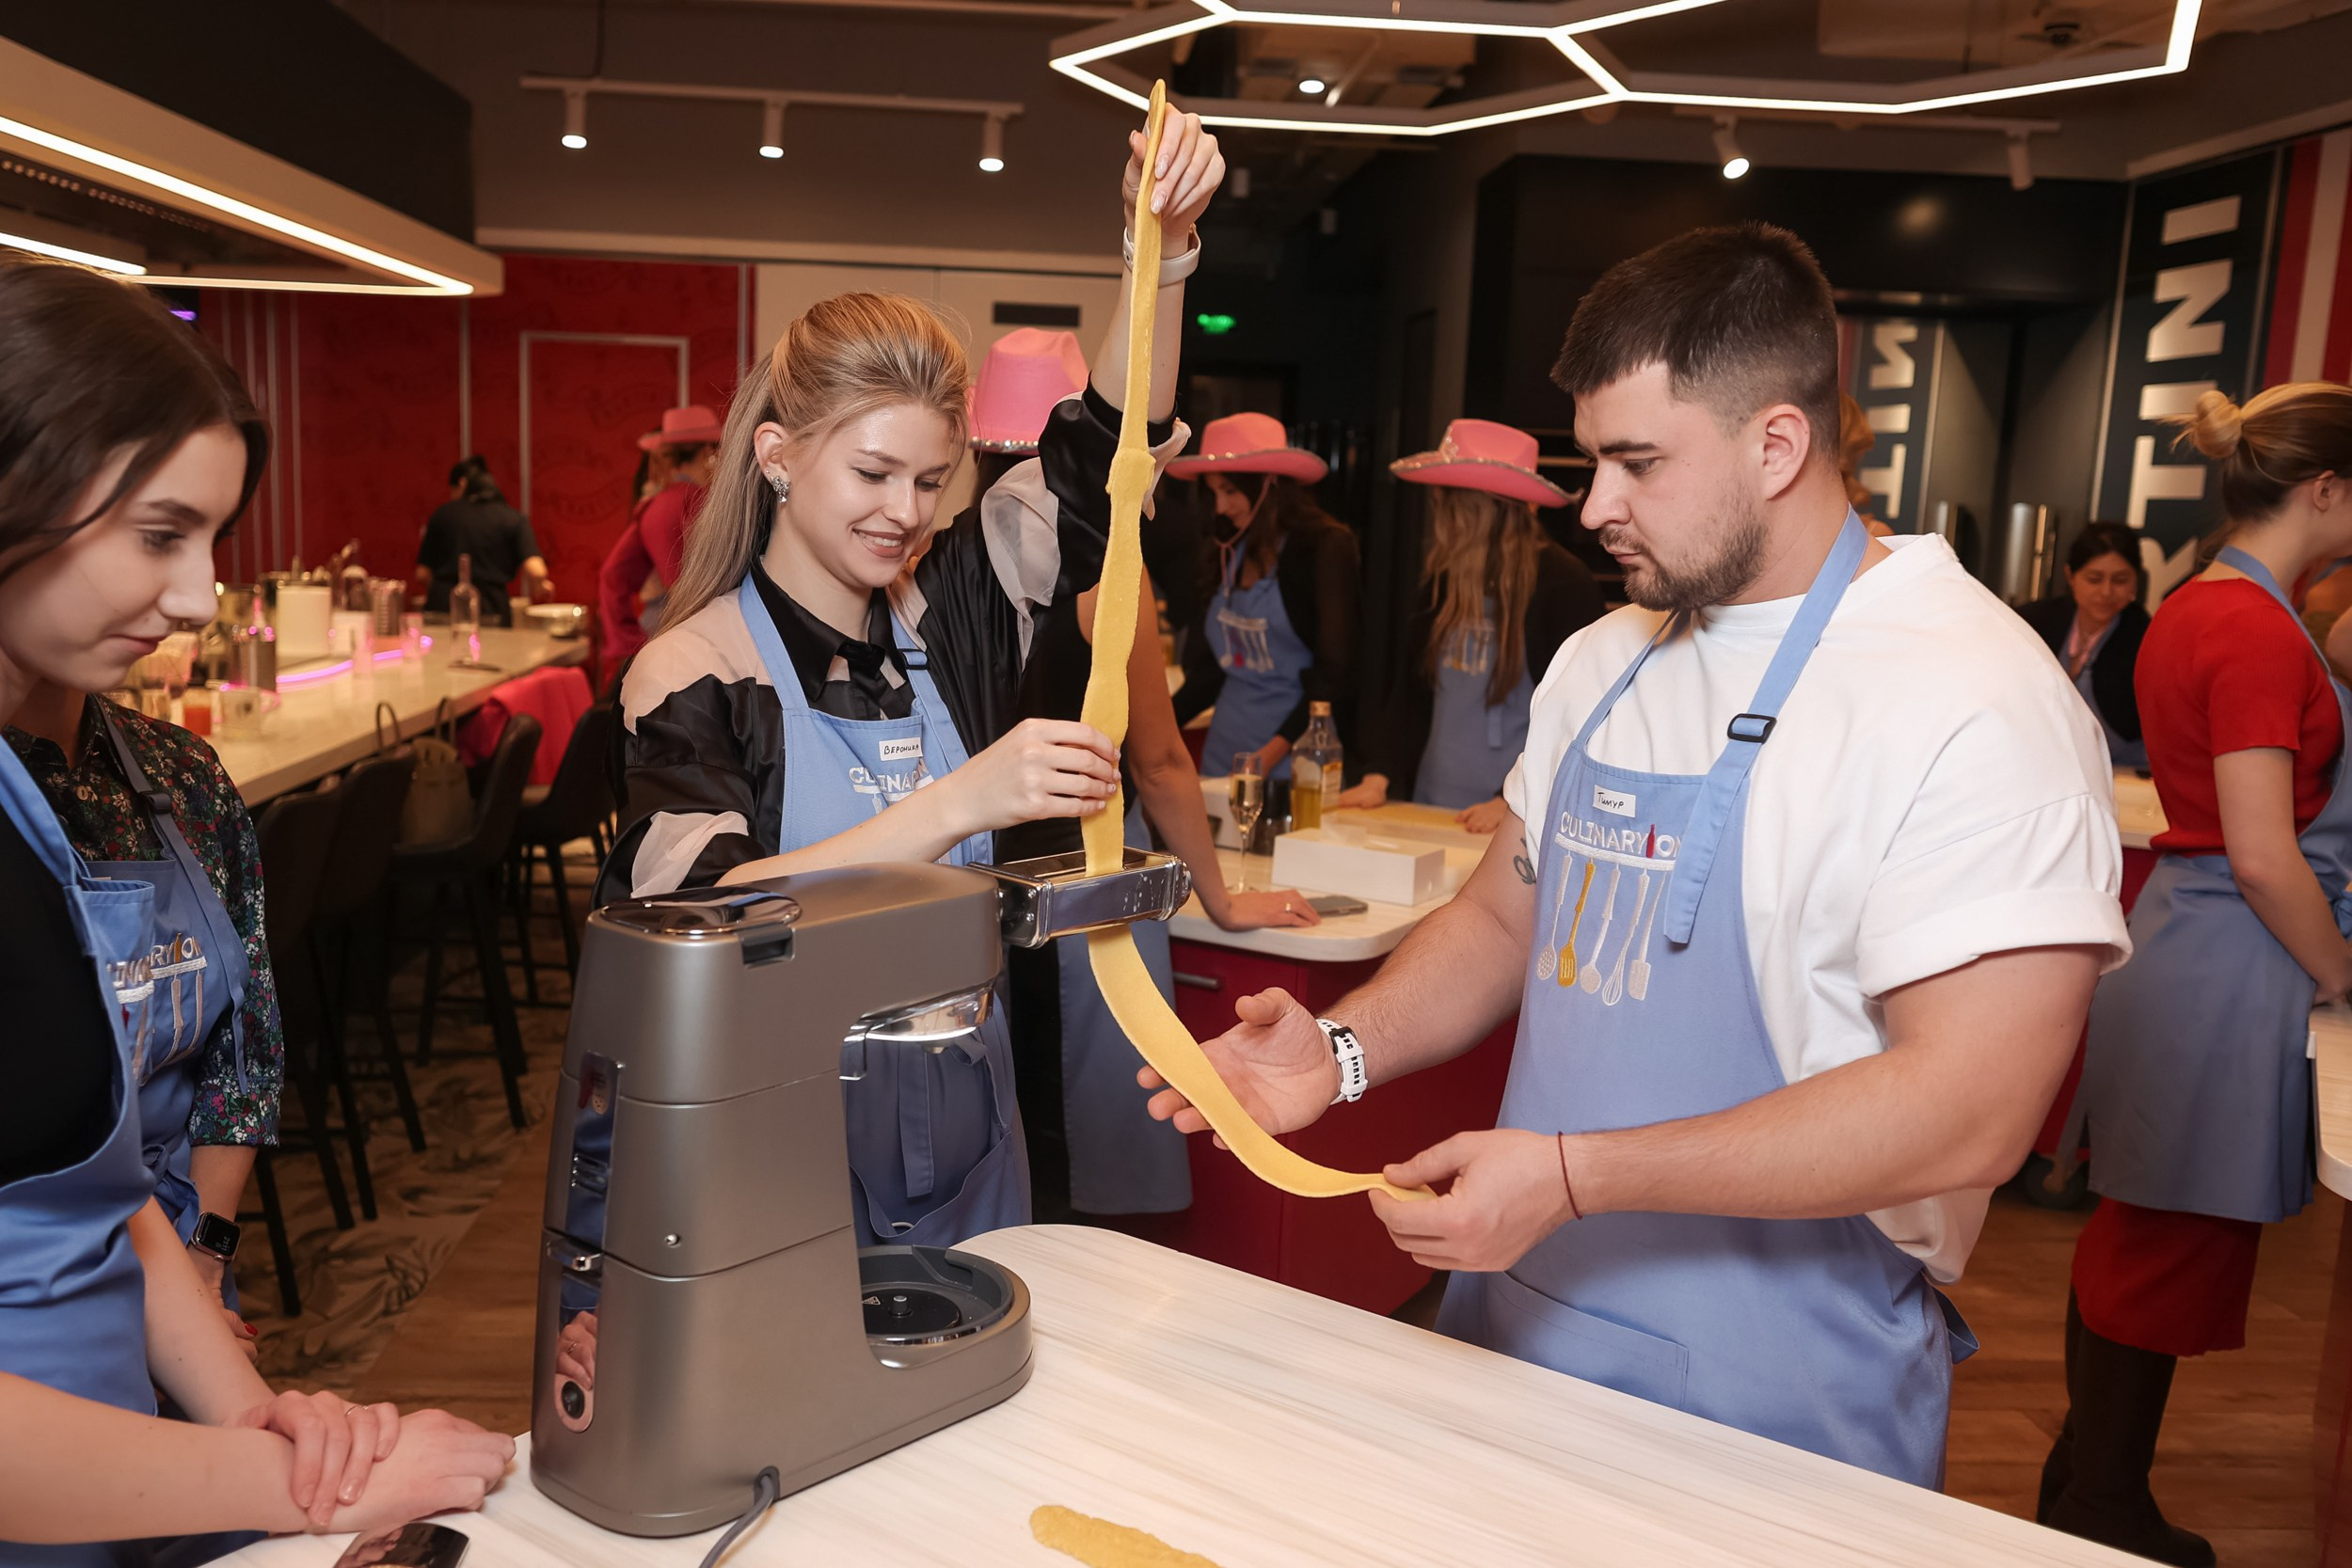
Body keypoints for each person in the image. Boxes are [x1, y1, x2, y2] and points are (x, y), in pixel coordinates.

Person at [1143, 223, 2125, 1490]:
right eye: (1591, 459)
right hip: (1518, 1316)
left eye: (1637, 462)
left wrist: (1574, 1174)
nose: (1594, 504)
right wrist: (1339, 1050)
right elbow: (1503, 920)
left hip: (1777, 1383)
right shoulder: (1606, 658)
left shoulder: (1976, 697)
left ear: (1778, 444)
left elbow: (1970, 1109)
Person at [598, 109, 1225, 1250]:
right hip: (774, 1151)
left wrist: (1161, 251)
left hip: (968, 1143)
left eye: (931, 480)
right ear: (778, 455)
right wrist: (959, 801)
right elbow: (697, 916)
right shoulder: (694, 670)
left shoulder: (957, 609)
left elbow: (1107, 454)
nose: (905, 513)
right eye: (873, 472)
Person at [0, 257, 511, 1564]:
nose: (195, 597)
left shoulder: (35, 808)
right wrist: (296, 1483)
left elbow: (102, 1189)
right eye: (160, 534)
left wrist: (252, 1414)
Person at [2048, 383, 2352, 1564]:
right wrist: (2338, 966)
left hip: (2191, 940)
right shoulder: (2254, 629)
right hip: (2230, 957)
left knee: (2142, 1231)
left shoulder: (2208, 604)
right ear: (2323, 489)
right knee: (2164, 1242)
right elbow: (2265, 853)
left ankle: (2086, 1483)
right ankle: (2100, 1504)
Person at [979, 331, 1319, 1220]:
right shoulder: (1106, 582)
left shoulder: (936, 572)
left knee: (991, 1151)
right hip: (1082, 893)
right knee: (1087, 1161)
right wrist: (1222, 898)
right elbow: (1161, 762)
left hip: (969, 892)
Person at [7, 676, 286, 1336]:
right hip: (40, 1269)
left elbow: (246, 1048)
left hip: (187, 1233)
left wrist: (205, 1259)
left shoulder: (183, 770)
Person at [1339, 419, 1603, 833]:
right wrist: (1379, 773)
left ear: (1481, 510)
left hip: (1516, 816)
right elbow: (1412, 692)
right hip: (1430, 801)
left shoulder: (1562, 582)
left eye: (1449, 504)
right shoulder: (1442, 581)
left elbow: (1576, 716)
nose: (1438, 517)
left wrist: (1509, 798)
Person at [1168, 416, 1359, 781]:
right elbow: (1213, 671)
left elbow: (1335, 674)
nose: (1221, 507)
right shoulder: (1228, 547)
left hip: (1296, 756)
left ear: (1268, 485)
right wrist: (1156, 727)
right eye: (1214, 493)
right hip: (1225, 751)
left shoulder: (1325, 548)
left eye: (1230, 491)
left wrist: (1269, 754)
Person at [2016, 522, 2149, 769]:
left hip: (2123, 771)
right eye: (2094, 579)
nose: (2106, 592)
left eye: (2120, 580)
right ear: (2071, 576)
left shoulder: (2146, 638)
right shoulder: (2034, 621)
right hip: (2043, 763)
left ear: (2136, 581)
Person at [599, 407, 722, 668]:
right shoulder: (683, 500)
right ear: (706, 452)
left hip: (666, 629)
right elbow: (680, 587)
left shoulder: (663, 502)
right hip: (676, 631)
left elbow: (613, 574)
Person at [413, 455, 548, 626]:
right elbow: (536, 571)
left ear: (462, 484)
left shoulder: (442, 514)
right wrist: (540, 585)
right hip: (491, 610)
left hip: (442, 608)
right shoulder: (513, 518)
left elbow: (422, 574)